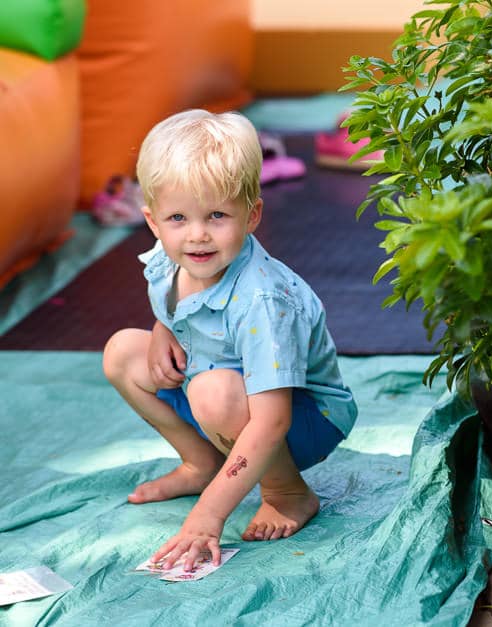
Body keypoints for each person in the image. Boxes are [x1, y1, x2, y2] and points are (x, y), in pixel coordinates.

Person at [102, 109, 357, 572]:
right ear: (153, 222)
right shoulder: (168, 257)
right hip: (218, 388)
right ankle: (201, 463)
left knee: (212, 391)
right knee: (123, 350)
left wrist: (208, 517)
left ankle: (287, 491)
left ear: (252, 214)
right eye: (178, 217)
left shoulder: (260, 298)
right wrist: (163, 329)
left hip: (303, 418)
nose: (197, 234)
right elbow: (173, 305)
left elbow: (272, 420)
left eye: (217, 215)